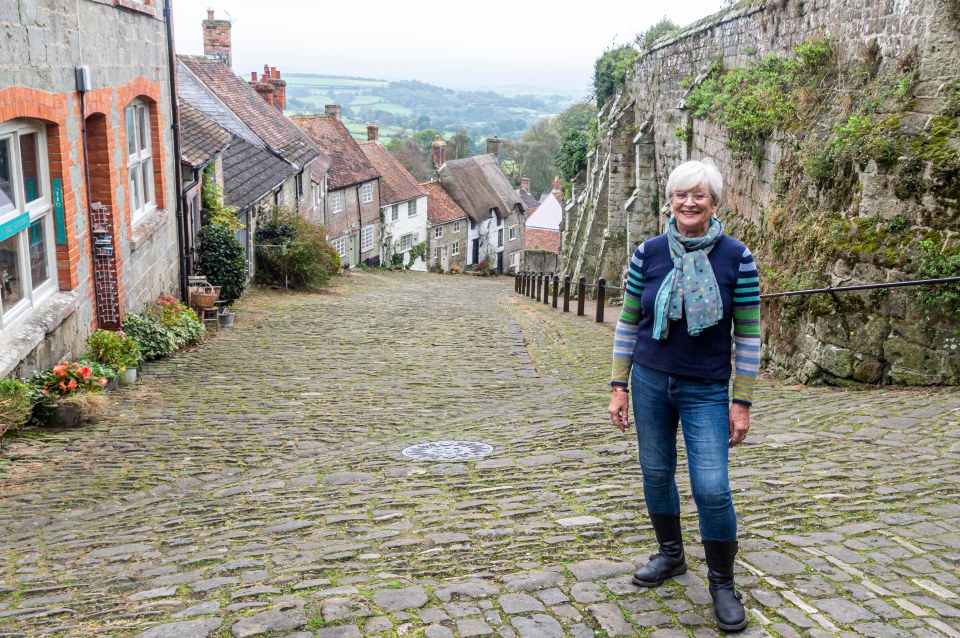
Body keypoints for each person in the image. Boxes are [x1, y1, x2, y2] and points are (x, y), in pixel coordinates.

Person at [607, 158, 760, 632]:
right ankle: (671, 555)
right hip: (650, 381)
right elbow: (629, 322)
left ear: (715, 203)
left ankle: (721, 583)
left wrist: (742, 400)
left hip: (707, 388)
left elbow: (749, 335)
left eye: (700, 196)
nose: (689, 203)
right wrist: (618, 386)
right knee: (656, 472)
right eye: (681, 195)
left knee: (712, 487)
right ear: (669, 201)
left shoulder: (737, 258)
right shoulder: (647, 254)